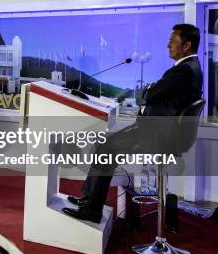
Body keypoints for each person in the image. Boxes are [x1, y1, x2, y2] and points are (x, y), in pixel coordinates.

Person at [63, 24, 203, 223]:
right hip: (161, 131)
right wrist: (151, 90)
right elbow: (156, 94)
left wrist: (149, 89)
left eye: (172, 41)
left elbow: (149, 95)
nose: (168, 45)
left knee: (106, 148)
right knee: (106, 146)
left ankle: (93, 209)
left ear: (187, 45)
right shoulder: (191, 67)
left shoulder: (184, 71)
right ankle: (90, 200)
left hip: (158, 134)